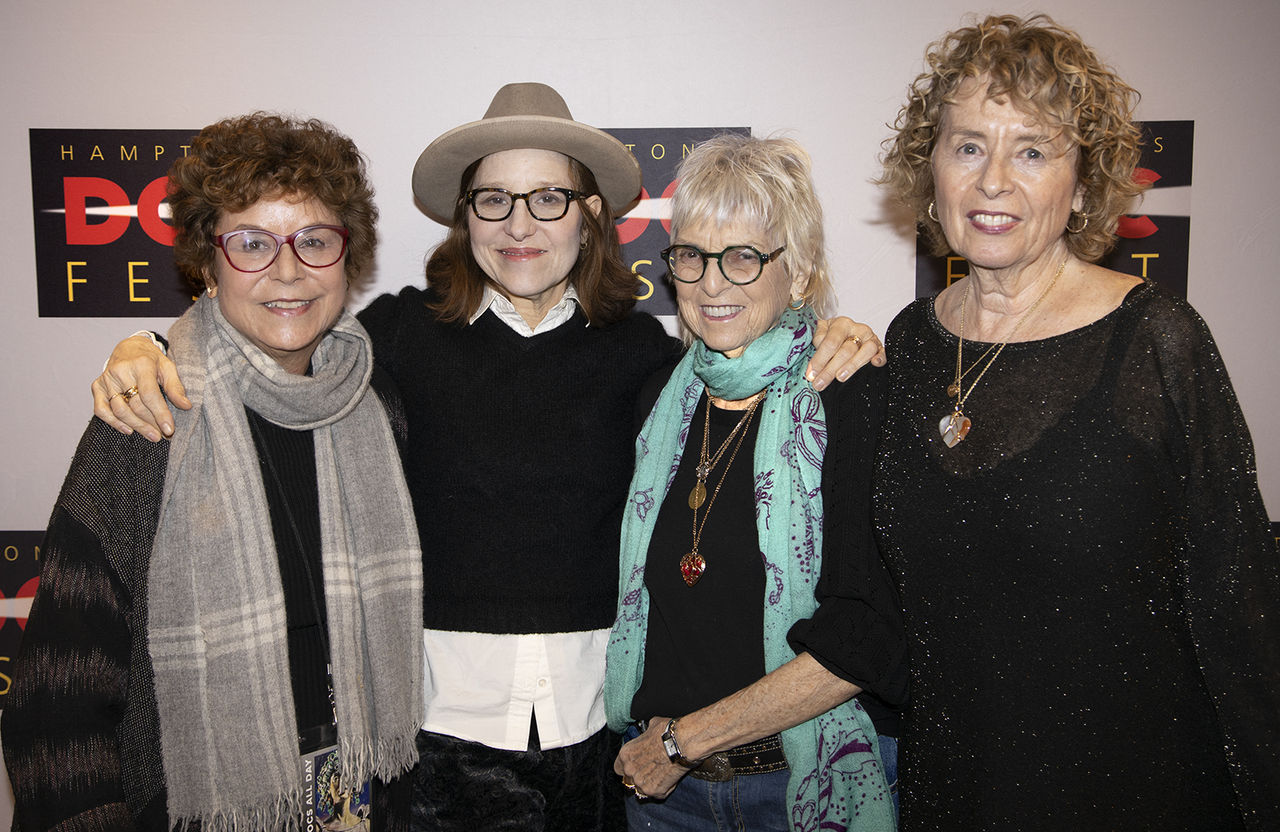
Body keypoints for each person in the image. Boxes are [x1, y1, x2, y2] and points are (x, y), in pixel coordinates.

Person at [85, 84, 883, 831]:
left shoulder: (650, 355)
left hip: (604, 748)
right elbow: (274, 349)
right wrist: (151, 344)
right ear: (465, 217)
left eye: (549, 199)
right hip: (435, 744)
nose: (520, 225)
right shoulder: (396, 338)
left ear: (590, 213)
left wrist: (839, 332)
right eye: (493, 200)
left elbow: (755, 355)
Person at [873, 14, 1280, 830]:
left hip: (1141, 789)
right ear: (931, 170)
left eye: (1032, 149)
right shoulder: (911, 342)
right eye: (967, 146)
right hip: (955, 789)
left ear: (1086, 184)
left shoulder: (1157, 338)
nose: (994, 181)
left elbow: (1242, 607)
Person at [2, 114, 423, 831]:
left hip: (356, 801)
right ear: (207, 261)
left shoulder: (378, 405)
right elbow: (57, 703)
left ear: (347, 260)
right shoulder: (147, 422)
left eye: (314, 241)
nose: (287, 272)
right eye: (252, 243)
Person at [606, 134, 906, 832]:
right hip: (664, 798)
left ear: (797, 274)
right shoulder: (657, 401)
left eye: (743, 257)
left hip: (796, 786)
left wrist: (687, 741)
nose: (712, 284)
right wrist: (665, 751)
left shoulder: (854, 398)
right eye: (691, 256)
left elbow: (868, 637)